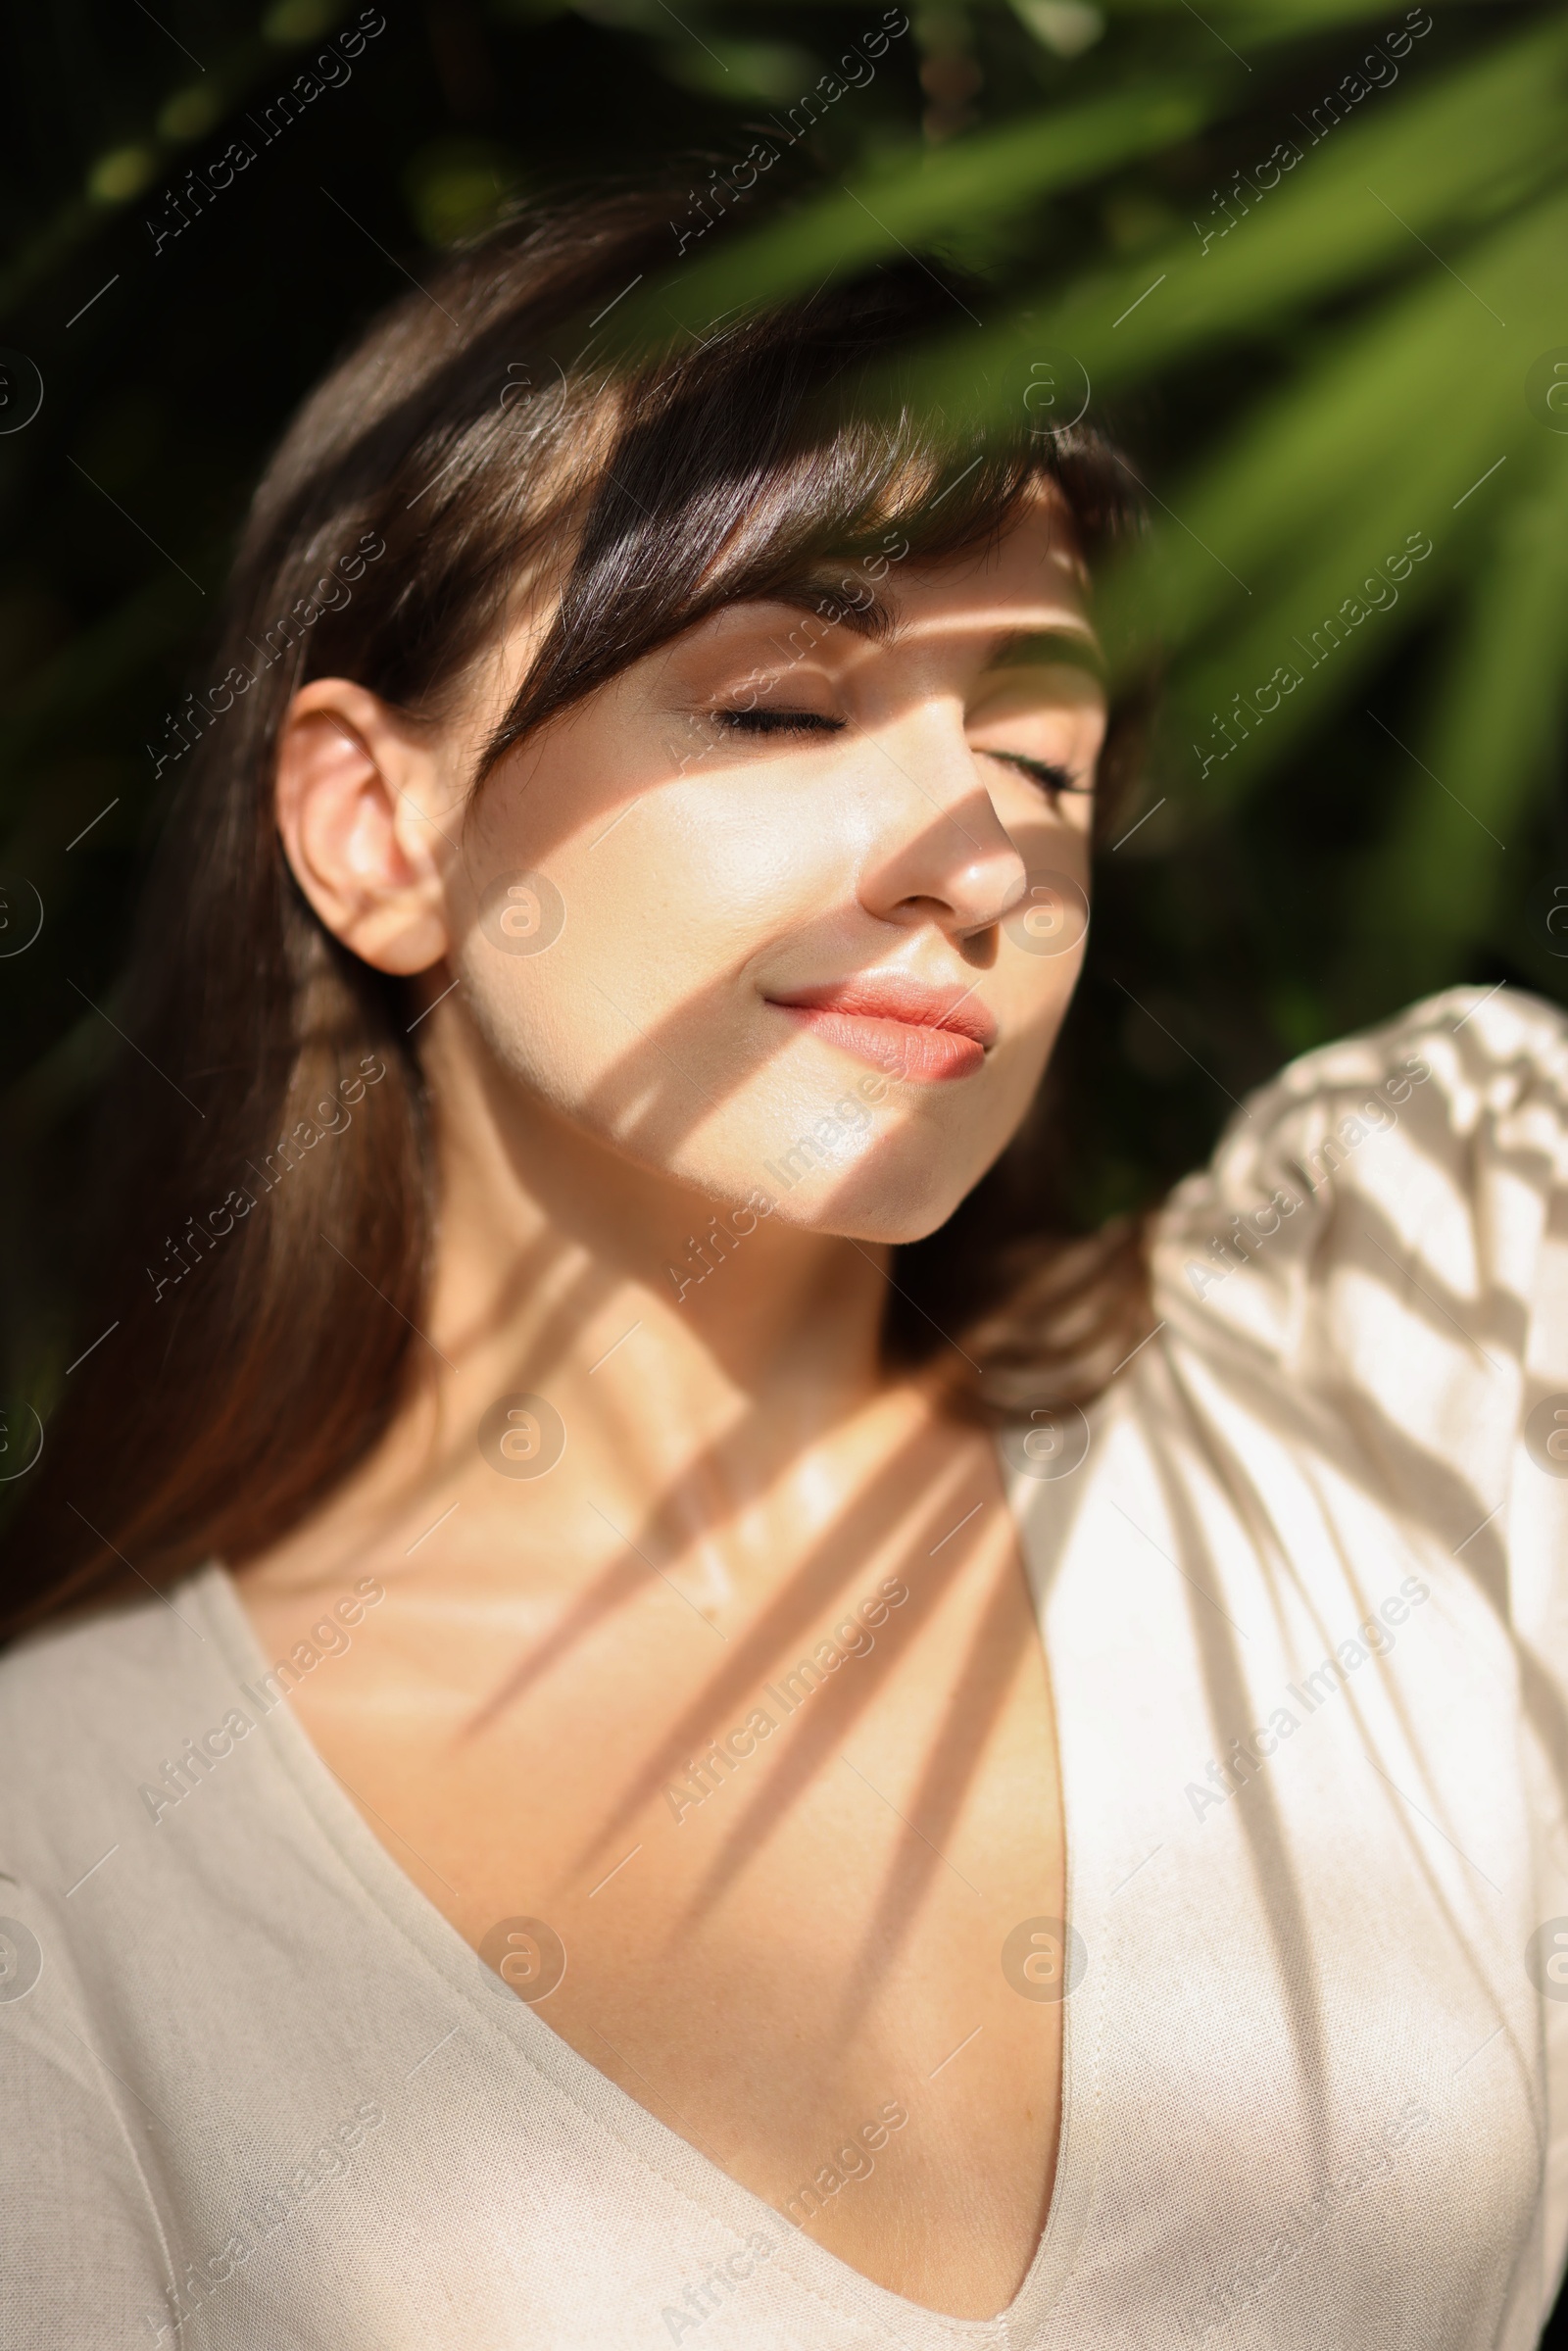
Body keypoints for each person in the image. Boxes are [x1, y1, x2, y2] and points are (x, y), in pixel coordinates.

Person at [1, 188, 1565, 2351]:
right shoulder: (69, 1877)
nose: (980, 850)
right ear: (376, 828)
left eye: (1041, 756)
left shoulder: (1388, 1344)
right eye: (775, 708)